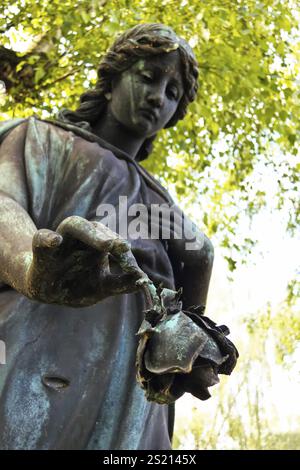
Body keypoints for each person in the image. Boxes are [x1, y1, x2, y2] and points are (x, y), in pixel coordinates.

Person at [0, 23, 214, 449]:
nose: (158, 97)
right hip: (41, 349)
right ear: (113, 79)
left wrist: (188, 343)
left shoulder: (161, 203)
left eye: (173, 93)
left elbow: (199, 259)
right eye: (148, 77)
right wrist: (30, 265)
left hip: (133, 390)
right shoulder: (40, 139)